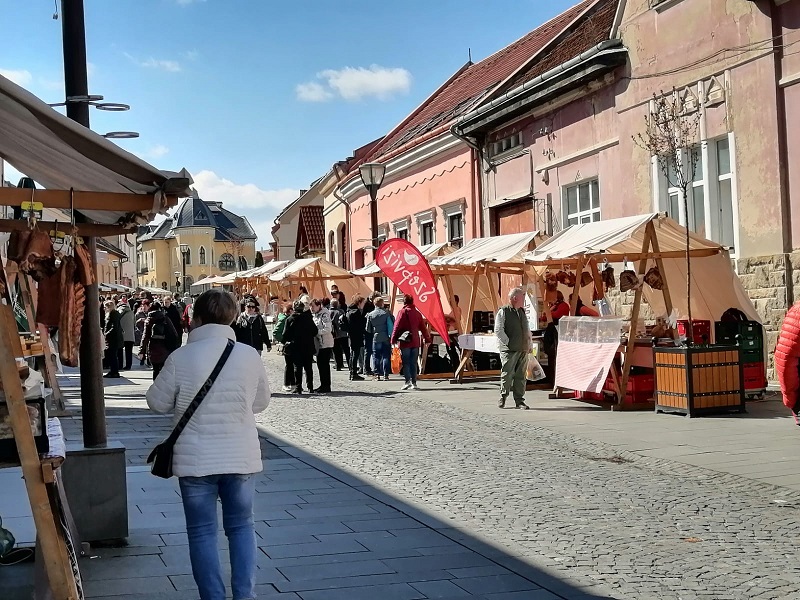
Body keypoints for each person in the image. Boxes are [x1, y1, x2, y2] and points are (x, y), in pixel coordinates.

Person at [145, 289, 270, 600]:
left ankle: (212, 597)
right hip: (239, 457)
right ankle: (244, 595)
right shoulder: (248, 355)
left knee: (201, 533)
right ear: (232, 317)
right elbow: (261, 402)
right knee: (241, 528)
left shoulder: (181, 357)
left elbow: (156, 403)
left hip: (195, 460)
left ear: (196, 319)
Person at [494, 287, 532, 410]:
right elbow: (498, 330)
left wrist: (529, 343)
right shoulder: (503, 311)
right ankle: (503, 397)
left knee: (521, 375)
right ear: (515, 298)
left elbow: (526, 329)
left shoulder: (521, 312)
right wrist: (508, 342)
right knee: (507, 373)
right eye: (522, 298)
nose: (523, 301)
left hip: (522, 348)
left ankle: (519, 400)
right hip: (509, 349)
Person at [391, 294, 432, 390]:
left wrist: (393, 339)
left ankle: (407, 381)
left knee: (406, 362)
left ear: (404, 302)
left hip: (405, 341)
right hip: (415, 340)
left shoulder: (402, 312)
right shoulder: (417, 313)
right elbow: (423, 327)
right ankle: (414, 383)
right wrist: (427, 339)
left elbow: (396, 327)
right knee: (413, 362)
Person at [281, 300, 318, 394]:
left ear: (294, 308)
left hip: (295, 347)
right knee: (308, 368)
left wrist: (287, 341)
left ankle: (298, 388)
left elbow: (285, 335)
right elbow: (315, 331)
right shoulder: (308, 319)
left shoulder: (289, 319)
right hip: (308, 346)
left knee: (297, 368)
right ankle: (310, 387)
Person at [139, 301, 180, 380]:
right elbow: (174, 333)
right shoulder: (165, 318)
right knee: (164, 370)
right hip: (165, 347)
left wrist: (142, 351)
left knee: (156, 370)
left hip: (153, 348)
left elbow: (145, 337)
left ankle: (156, 388)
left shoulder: (149, 320)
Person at [310, 299, 334, 393]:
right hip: (319, 344)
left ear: (319, 305)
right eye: (311, 306)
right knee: (320, 365)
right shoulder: (315, 315)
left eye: (313, 306)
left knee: (324, 366)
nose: (312, 308)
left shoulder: (324, 315)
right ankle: (323, 384)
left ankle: (326, 386)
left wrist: (317, 333)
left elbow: (328, 329)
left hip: (325, 343)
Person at [366, 297, 392, 380]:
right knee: (386, 356)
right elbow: (390, 326)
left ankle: (377, 374)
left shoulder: (370, 315)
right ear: (382, 303)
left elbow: (368, 329)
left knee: (376, 356)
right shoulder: (386, 313)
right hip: (385, 337)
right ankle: (386, 374)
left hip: (376, 337)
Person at [273, 304, 295, 392]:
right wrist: (283, 341)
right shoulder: (284, 319)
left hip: (292, 344)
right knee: (289, 365)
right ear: (290, 311)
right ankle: (286, 384)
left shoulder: (290, 318)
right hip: (287, 345)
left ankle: (293, 384)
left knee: (292, 365)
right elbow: (275, 332)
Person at [345, 295, 367, 381]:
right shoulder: (356, 312)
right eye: (363, 303)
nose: (364, 305)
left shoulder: (349, 310)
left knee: (352, 355)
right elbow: (359, 325)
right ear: (359, 302)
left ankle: (352, 372)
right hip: (356, 336)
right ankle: (354, 373)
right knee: (355, 355)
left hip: (351, 335)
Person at [103, 300, 124, 378]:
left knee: (113, 355)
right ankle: (113, 371)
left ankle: (114, 371)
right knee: (112, 355)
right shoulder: (112, 314)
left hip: (113, 339)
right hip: (113, 338)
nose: (104, 309)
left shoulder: (113, 314)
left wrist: (106, 334)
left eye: (105, 307)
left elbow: (114, 327)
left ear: (109, 307)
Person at [361, 292, 379, 376]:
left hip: (369, 330)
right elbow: (365, 317)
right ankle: (366, 368)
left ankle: (367, 368)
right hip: (368, 330)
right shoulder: (367, 306)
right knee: (368, 350)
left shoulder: (367, 305)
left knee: (369, 350)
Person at [330, 299, 350, 371]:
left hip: (334, 334)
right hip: (343, 333)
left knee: (336, 351)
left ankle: (338, 365)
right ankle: (350, 365)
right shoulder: (341, 311)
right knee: (346, 350)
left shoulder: (329, 312)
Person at [117, 298, 136, 371]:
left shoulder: (118, 311)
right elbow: (134, 323)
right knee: (129, 351)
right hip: (130, 335)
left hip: (121, 334)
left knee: (120, 350)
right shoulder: (131, 312)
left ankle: (120, 365)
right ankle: (128, 365)